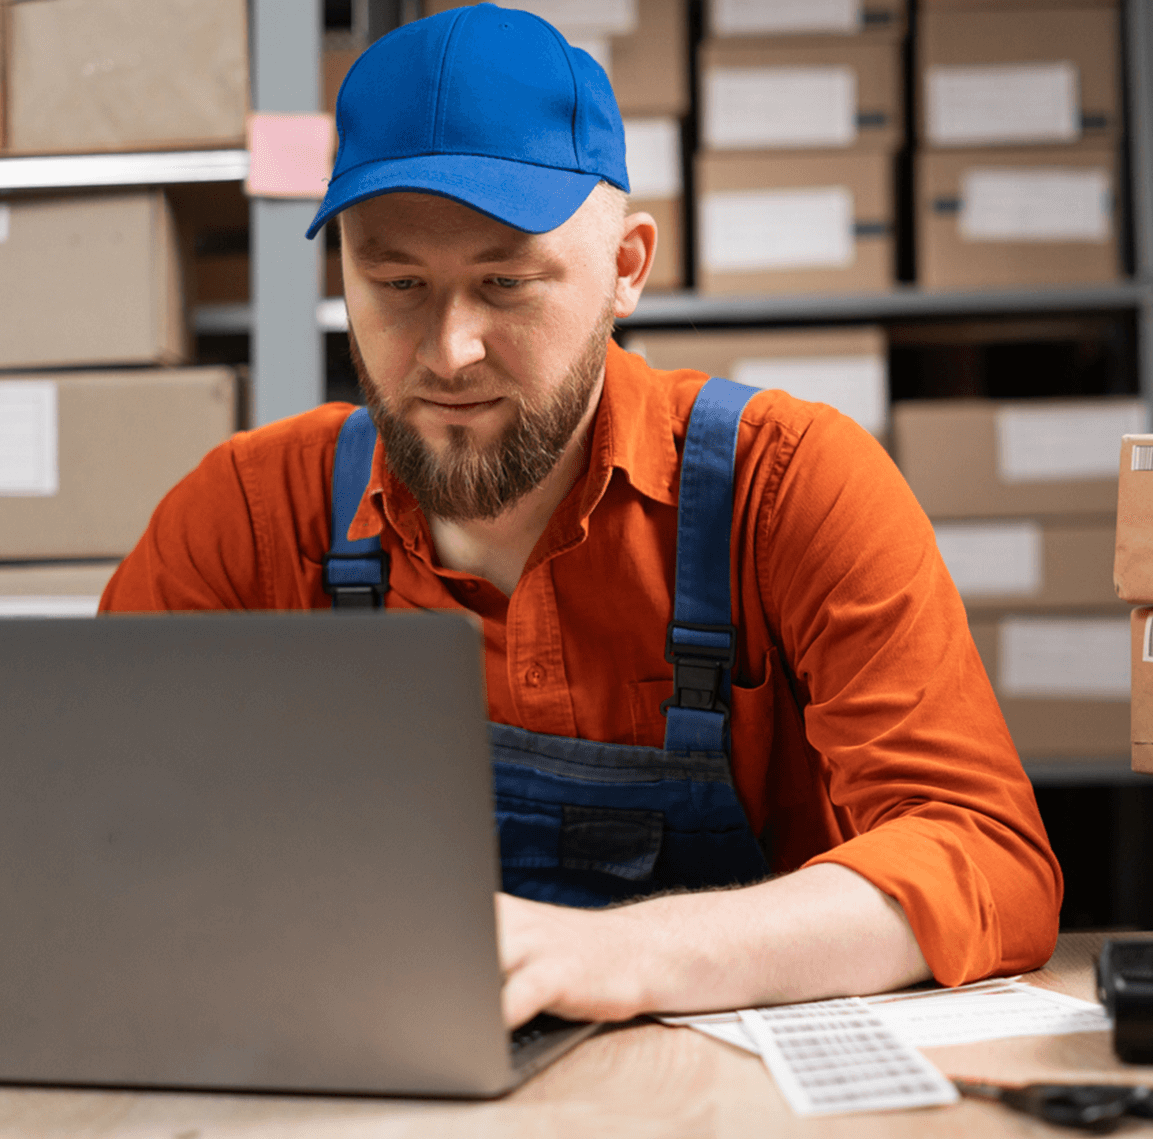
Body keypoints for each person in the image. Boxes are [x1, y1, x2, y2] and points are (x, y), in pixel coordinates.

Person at [102, 3, 1062, 1030]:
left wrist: (611, 953)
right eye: (397, 284)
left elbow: (981, 853)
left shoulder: (790, 488)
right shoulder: (248, 515)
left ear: (626, 268)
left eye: (505, 283)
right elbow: (85, 832)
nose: (449, 349)